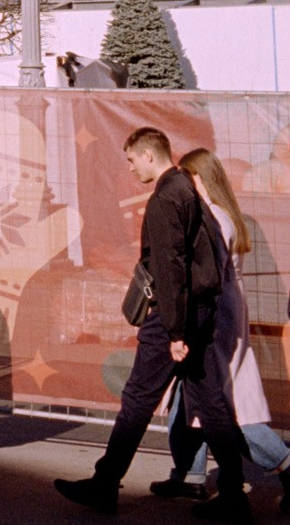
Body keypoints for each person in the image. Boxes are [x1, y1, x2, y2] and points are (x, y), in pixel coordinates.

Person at [57, 127, 249, 520]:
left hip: (172, 318)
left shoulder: (165, 198)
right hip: (199, 312)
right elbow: (205, 263)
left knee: (139, 398)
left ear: (148, 155)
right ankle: (233, 495)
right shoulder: (188, 188)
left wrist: (176, 332)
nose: (130, 168)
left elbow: (169, 266)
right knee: (210, 404)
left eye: (131, 160)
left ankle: (104, 485)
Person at [159, 148, 290, 506]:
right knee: (189, 396)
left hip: (215, 315)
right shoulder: (222, 213)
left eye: (186, 178)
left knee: (227, 407)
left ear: (198, 178)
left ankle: (285, 466)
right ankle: (190, 474)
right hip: (225, 309)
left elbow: (202, 276)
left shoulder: (213, 217)